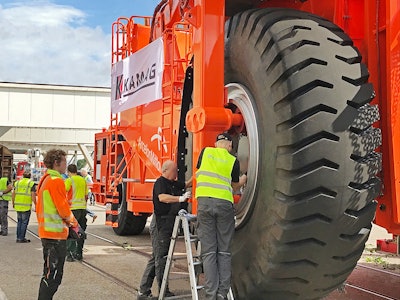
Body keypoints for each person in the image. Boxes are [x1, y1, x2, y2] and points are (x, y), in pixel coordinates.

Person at [195, 132, 247, 300]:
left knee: (209, 252)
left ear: (216, 144)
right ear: (230, 146)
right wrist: (244, 179)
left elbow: (199, 172)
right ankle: (222, 294)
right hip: (224, 204)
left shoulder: (205, 152)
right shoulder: (233, 160)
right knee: (223, 252)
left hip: (204, 203)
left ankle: (210, 295)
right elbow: (234, 184)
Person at [139, 160, 191, 299]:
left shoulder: (173, 183)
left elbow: (186, 184)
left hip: (168, 223)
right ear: (166, 170)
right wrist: (180, 198)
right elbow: (162, 198)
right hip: (160, 224)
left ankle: (144, 291)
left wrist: (200, 172)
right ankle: (161, 291)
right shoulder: (160, 183)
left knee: (157, 257)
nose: (176, 173)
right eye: (174, 170)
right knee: (160, 258)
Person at [36, 149, 79, 300]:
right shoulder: (56, 181)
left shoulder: (45, 180)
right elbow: (63, 209)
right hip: (54, 236)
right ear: (56, 163)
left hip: (48, 233)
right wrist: (75, 224)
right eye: (64, 162)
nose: (66, 165)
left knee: (50, 274)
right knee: (53, 276)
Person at [65, 164, 88, 261]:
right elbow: (86, 195)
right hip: (82, 209)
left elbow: (63, 192)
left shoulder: (69, 180)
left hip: (73, 209)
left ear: (68, 172)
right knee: (80, 231)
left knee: (71, 231)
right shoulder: (83, 180)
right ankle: (79, 253)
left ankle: (70, 254)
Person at [12, 171, 36, 243]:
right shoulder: (31, 183)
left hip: (18, 206)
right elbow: (33, 195)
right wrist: (36, 204)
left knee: (19, 222)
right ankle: (21, 238)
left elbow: (14, 194)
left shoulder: (17, 183)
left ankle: (18, 237)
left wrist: (13, 203)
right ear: (30, 176)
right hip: (26, 206)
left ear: (23, 176)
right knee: (24, 222)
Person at [137, 217, 157, 300]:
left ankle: (144, 291)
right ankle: (144, 291)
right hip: (159, 227)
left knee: (159, 258)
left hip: (163, 226)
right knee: (157, 258)